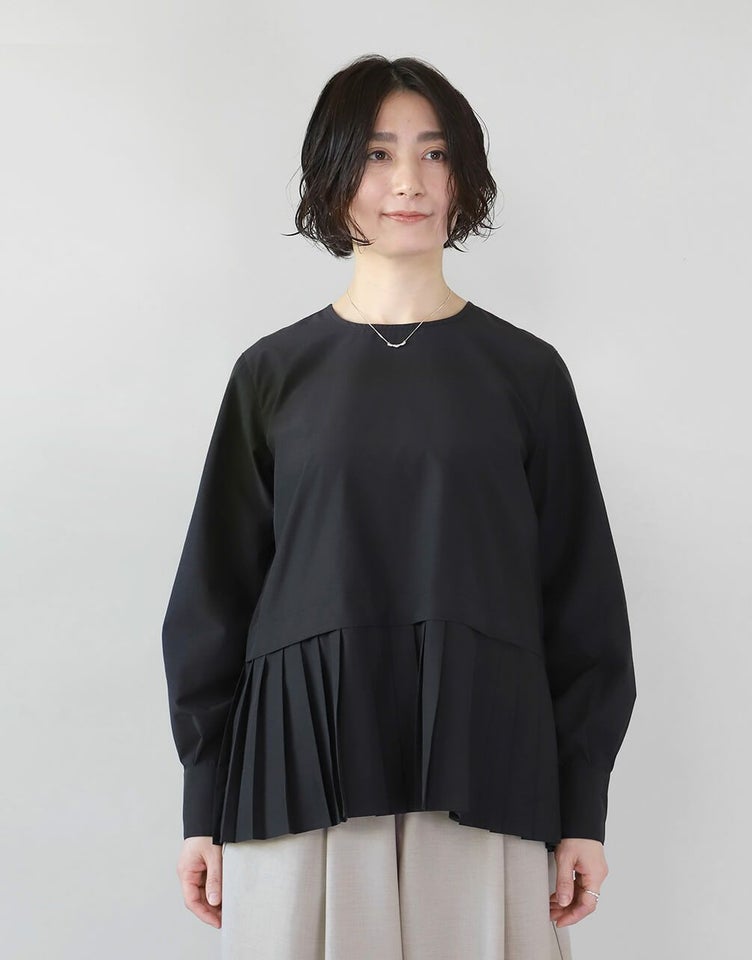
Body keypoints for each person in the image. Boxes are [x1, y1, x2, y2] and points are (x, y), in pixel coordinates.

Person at [161, 54, 637, 959]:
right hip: (297, 782)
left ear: (464, 176)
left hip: (488, 773)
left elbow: (583, 605)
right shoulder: (272, 375)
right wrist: (202, 804)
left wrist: (584, 810)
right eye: (378, 154)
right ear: (334, 173)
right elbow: (211, 604)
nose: (409, 182)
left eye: (435, 152)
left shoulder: (527, 374)